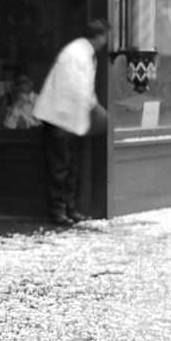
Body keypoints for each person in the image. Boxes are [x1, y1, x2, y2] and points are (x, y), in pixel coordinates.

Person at [32, 19, 109, 225]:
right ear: (99, 36)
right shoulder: (76, 54)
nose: (105, 41)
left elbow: (83, 89)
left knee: (70, 165)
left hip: (68, 117)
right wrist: (92, 109)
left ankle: (68, 208)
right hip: (61, 117)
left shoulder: (81, 53)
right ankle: (59, 211)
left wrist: (91, 108)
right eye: (104, 36)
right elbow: (76, 89)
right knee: (61, 166)